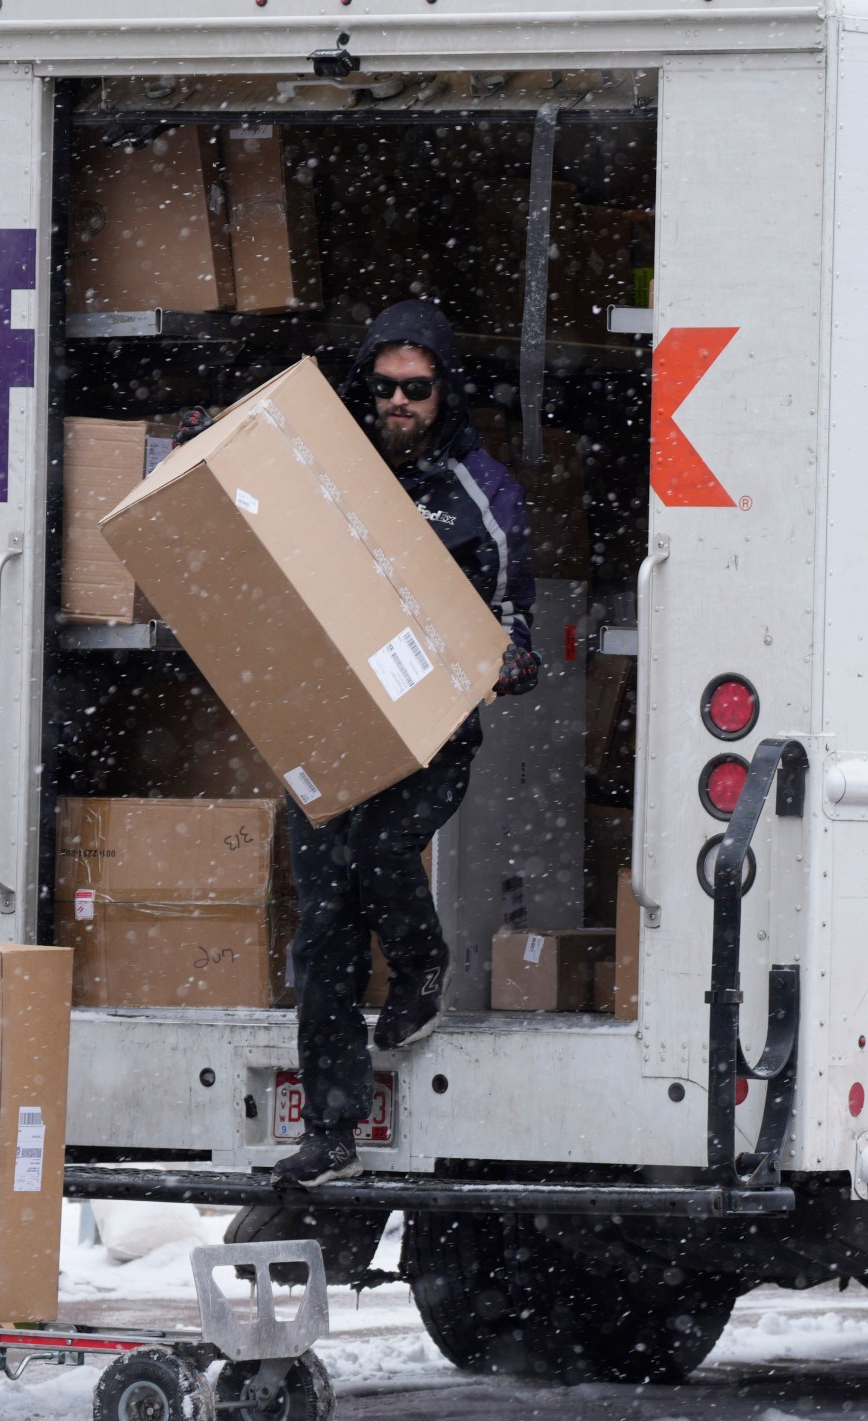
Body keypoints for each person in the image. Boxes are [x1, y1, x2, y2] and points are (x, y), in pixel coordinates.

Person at [274, 299, 540, 1187]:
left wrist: (511, 660)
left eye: (415, 389)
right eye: (384, 387)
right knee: (322, 926)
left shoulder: (482, 492)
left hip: (433, 732)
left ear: (444, 389)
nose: (397, 403)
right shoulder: (334, 470)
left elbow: (514, 626)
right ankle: (332, 1130)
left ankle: (421, 968)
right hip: (329, 723)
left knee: (382, 852)